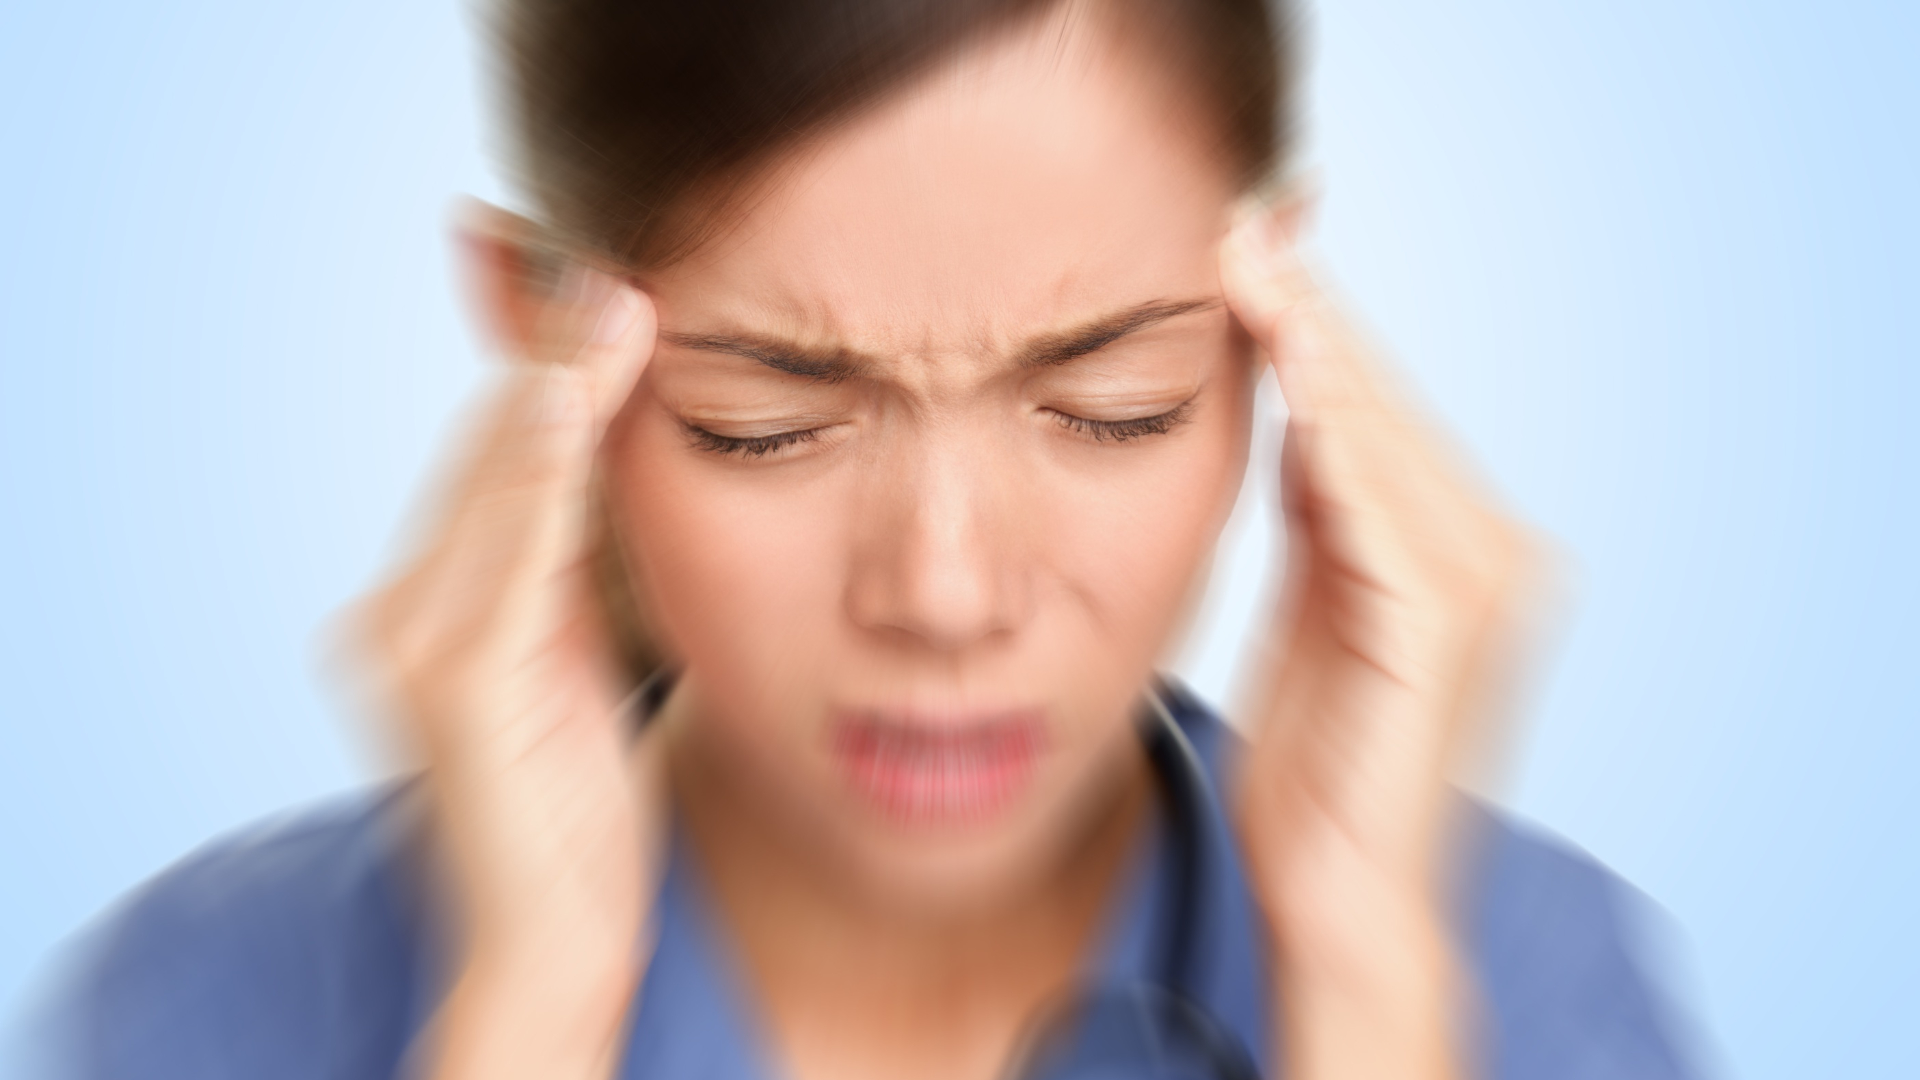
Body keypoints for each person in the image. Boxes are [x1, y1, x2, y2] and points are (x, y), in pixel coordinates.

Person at [34, 1, 1704, 1078]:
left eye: (1113, 406)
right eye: (761, 423)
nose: (946, 594)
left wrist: (1367, 999)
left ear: (1279, 340)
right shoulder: (201, 1009)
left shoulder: (1545, 992)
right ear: (544, 347)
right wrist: (523, 1017)